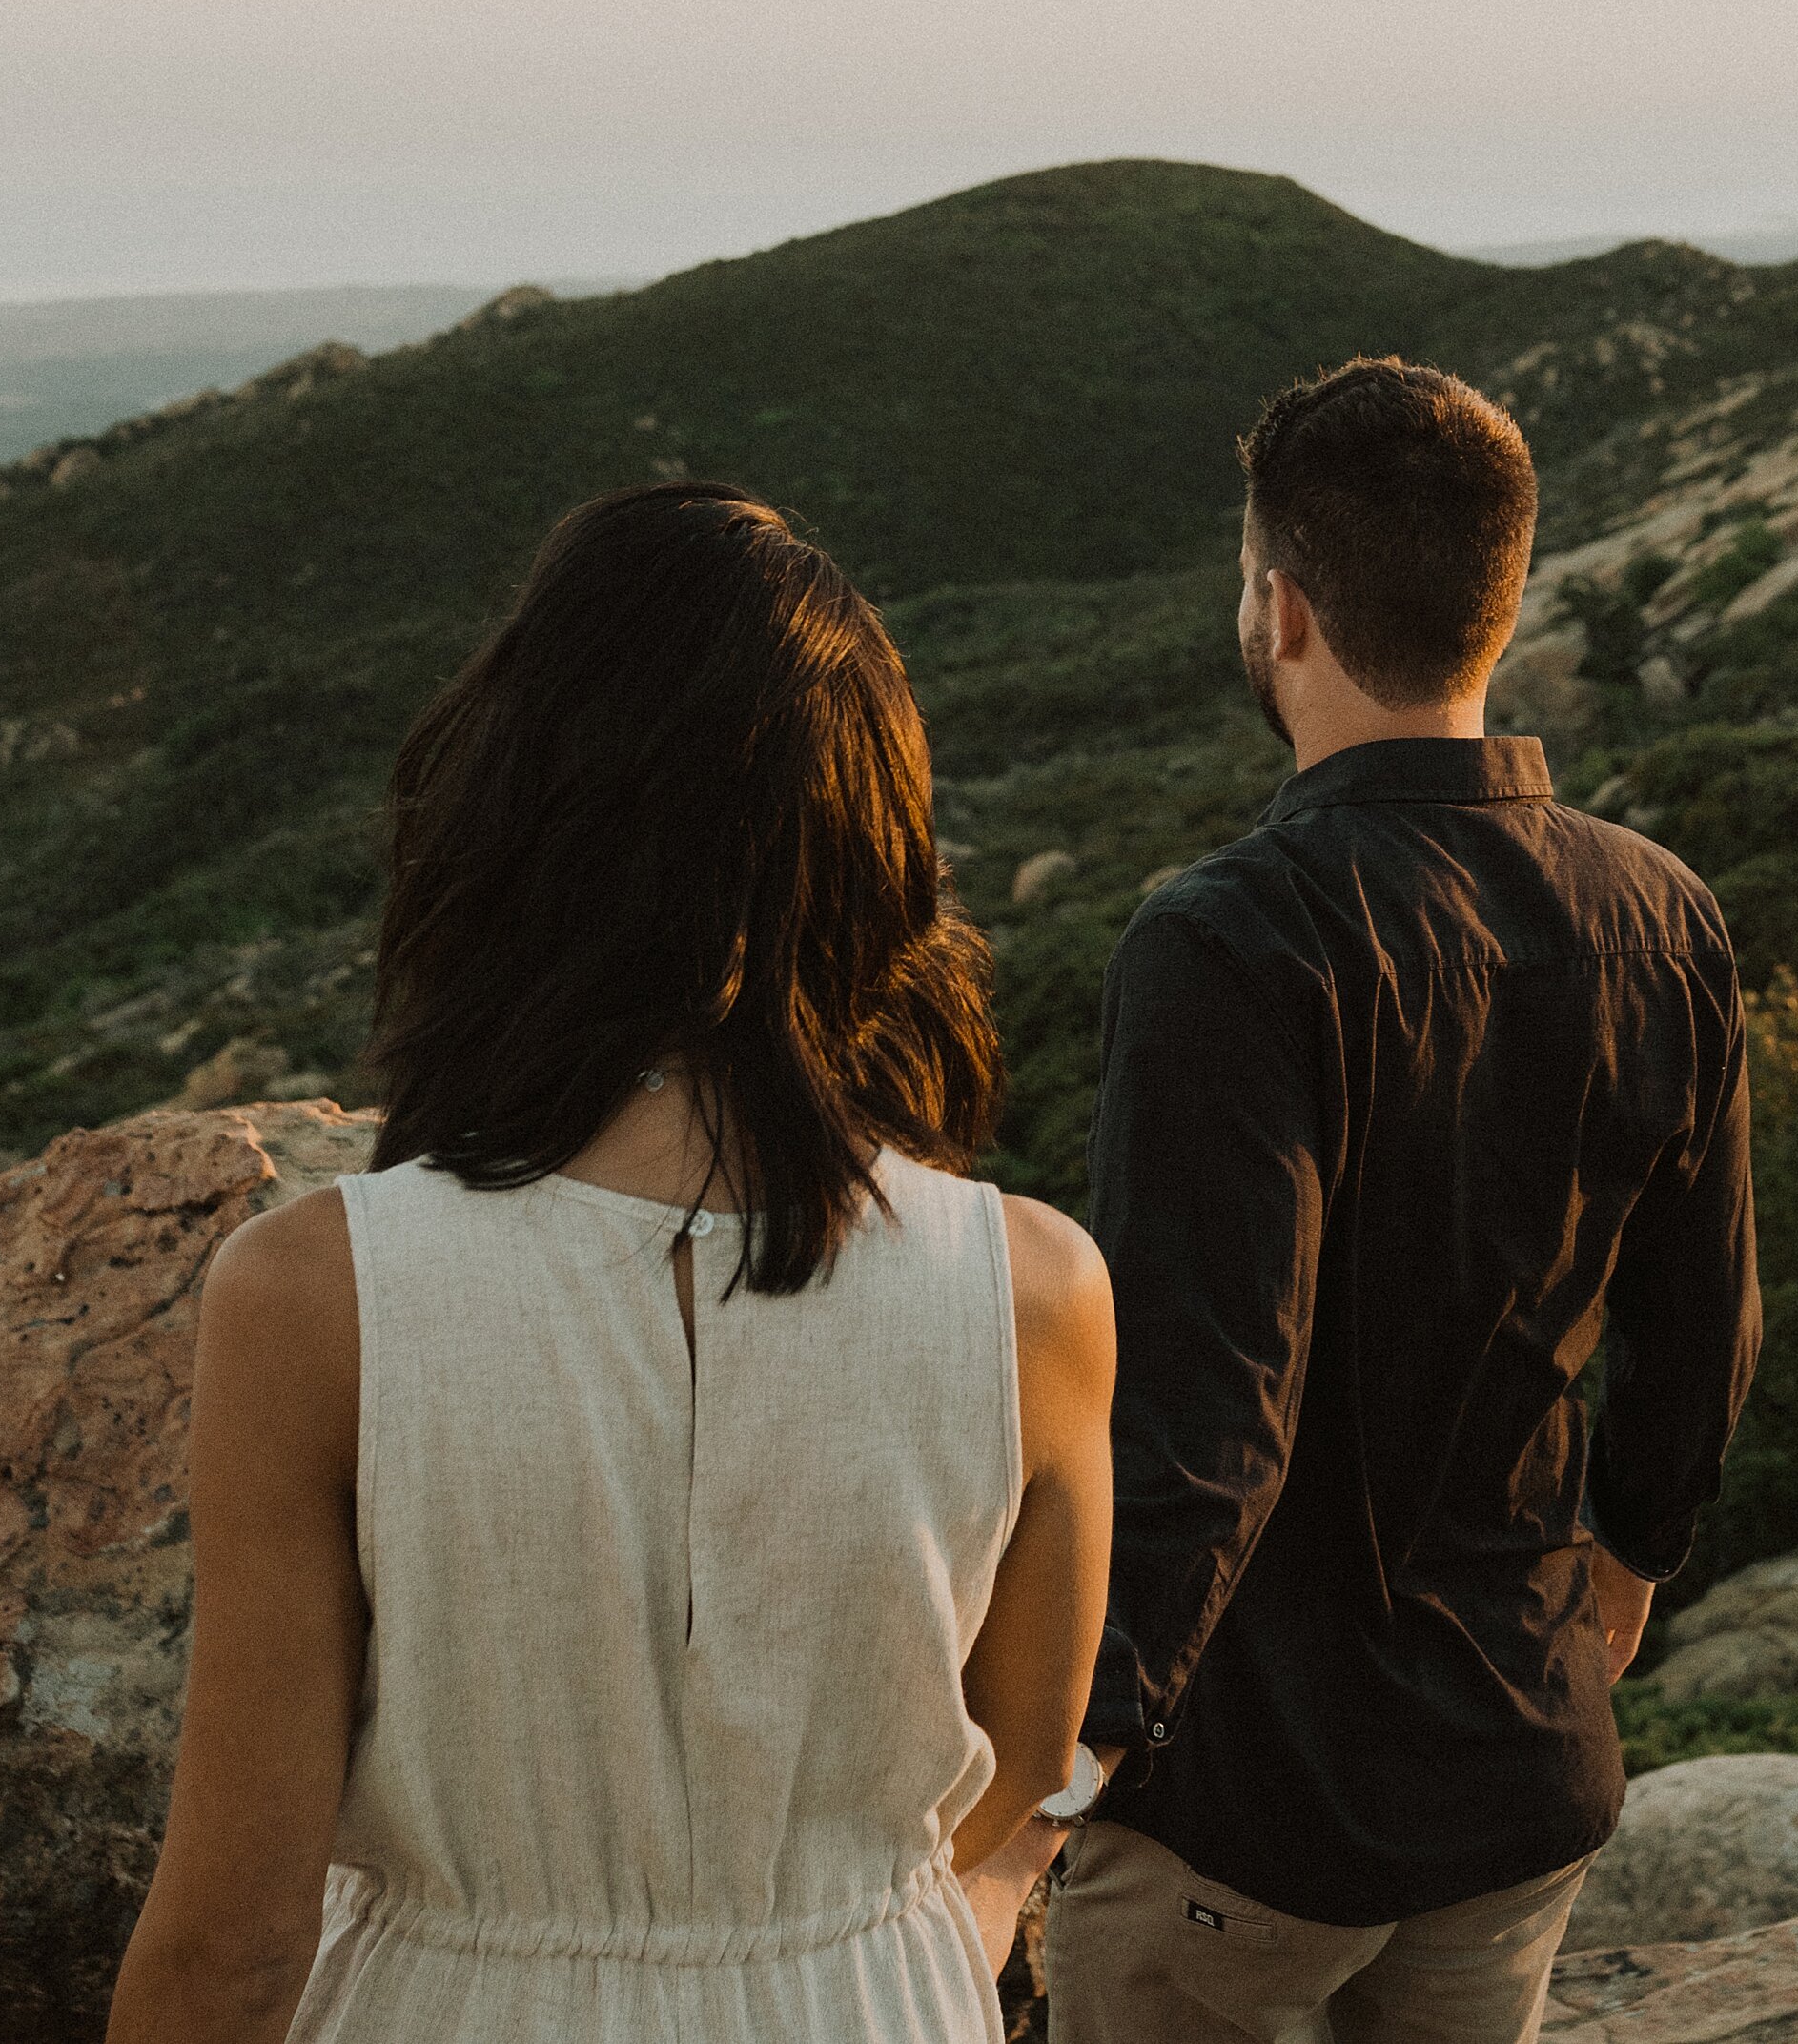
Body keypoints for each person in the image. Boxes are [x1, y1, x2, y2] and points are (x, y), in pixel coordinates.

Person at [107, 480, 1114, 2044]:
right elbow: (1034, 1778)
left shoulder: (318, 1298)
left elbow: (229, 1947)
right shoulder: (1036, 1292)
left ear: (512, 810)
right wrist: (910, 1951)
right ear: (875, 845)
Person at [1039, 358, 1761, 2044]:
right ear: (1496, 606)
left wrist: (1074, 1752)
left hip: (1253, 1800)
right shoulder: (1663, 912)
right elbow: (1705, 1316)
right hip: (1520, 1762)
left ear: (1282, 610)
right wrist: (1635, 1553)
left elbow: (1209, 1411)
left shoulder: (1226, 941)